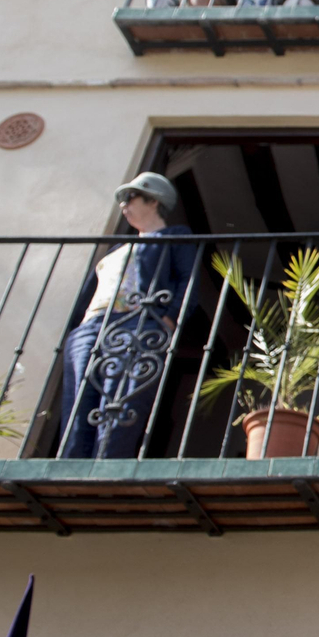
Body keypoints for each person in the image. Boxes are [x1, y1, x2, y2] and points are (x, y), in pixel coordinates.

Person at [61, 172, 196, 459]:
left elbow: (189, 279)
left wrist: (171, 318)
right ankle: (70, 470)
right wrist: (76, 328)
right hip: (91, 326)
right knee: (78, 405)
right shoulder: (117, 248)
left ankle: (105, 468)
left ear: (154, 201)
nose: (123, 204)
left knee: (120, 399)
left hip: (136, 321)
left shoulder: (174, 237)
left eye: (130, 197)